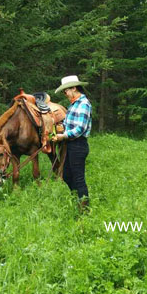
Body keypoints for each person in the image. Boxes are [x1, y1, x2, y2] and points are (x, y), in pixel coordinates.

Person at [52, 75, 92, 211]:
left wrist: (63, 136)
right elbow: (69, 124)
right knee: (67, 175)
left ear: (74, 88)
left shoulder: (84, 104)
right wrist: (60, 127)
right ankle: (77, 198)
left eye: (66, 91)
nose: (65, 94)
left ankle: (84, 209)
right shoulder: (73, 104)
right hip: (71, 144)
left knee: (78, 177)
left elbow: (80, 128)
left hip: (78, 145)